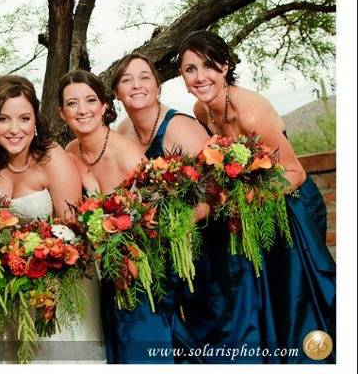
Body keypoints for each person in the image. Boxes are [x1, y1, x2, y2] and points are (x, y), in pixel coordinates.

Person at [178, 30, 336, 363]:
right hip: (256, 211)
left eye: (208, 66)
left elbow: (295, 173)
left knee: (298, 295)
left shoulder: (249, 111)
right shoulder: (201, 108)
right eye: (190, 69)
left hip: (291, 207)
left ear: (224, 67)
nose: (199, 76)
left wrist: (241, 202)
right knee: (268, 296)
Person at [0, 74, 105, 363]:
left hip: (57, 286)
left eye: (24, 118)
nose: (14, 129)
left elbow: (73, 232)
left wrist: (36, 261)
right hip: (6, 289)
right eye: (3, 119)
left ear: (35, 119)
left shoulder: (52, 159)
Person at [99, 52, 210, 363]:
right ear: (117, 94)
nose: (137, 85)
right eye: (126, 80)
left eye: (145, 77)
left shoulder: (180, 128)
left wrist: (176, 224)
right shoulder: (123, 132)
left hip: (199, 245)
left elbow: (216, 192)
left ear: (158, 86)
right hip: (162, 252)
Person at [58, 69, 146, 194]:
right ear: (62, 113)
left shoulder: (129, 157)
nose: (82, 110)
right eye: (72, 103)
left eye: (91, 100)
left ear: (103, 107)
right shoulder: (71, 150)